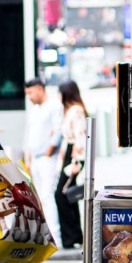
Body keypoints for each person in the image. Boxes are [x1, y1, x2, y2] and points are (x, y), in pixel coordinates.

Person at [22, 78, 63, 246]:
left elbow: (58, 130)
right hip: (36, 159)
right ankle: (45, 236)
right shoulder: (34, 110)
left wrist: (48, 153)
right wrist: (28, 159)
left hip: (47, 159)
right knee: (39, 199)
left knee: (47, 195)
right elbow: (29, 135)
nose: (29, 97)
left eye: (30, 92)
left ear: (40, 89)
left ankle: (55, 238)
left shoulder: (54, 105)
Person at [54, 80, 87, 249]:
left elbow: (80, 135)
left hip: (73, 156)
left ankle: (71, 237)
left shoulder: (75, 111)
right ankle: (74, 236)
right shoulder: (71, 110)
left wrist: (76, 162)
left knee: (61, 194)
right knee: (67, 196)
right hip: (69, 155)